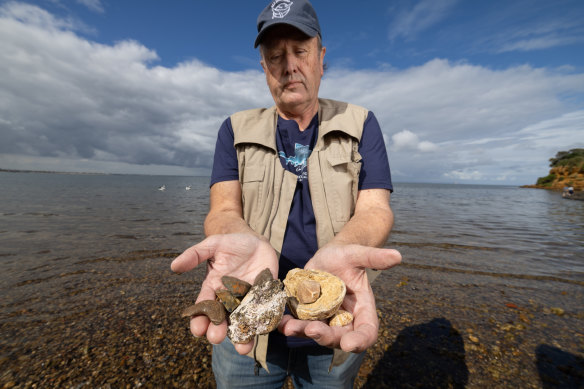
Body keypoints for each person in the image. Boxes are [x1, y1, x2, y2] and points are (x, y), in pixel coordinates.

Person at [171, 1, 402, 387]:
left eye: (300, 51)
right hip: (248, 319)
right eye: (275, 55)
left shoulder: (361, 123)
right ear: (264, 67)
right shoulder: (234, 129)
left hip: (332, 317)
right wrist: (235, 236)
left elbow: (375, 210)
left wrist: (341, 252)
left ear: (321, 57)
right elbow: (223, 208)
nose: (289, 65)